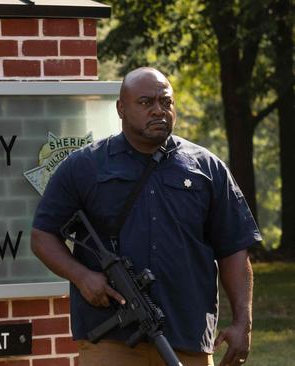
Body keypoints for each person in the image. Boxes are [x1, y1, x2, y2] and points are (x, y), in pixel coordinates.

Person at [31, 67, 260, 366]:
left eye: (166, 102)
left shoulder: (208, 168)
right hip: (112, 340)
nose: (158, 111)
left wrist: (244, 321)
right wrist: (83, 276)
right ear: (121, 108)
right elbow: (42, 236)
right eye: (145, 102)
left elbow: (234, 248)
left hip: (187, 336)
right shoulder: (84, 166)